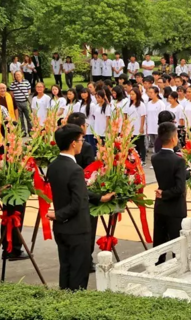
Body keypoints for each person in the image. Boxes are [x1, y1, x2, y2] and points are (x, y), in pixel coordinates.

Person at [46, 124, 93, 291]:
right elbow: (77, 203)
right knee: (78, 275)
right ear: (73, 143)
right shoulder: (75, 169)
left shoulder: (53, 165)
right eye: (81, 140)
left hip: (61, 229)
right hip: (77, 229)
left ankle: (64, 301)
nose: (82, 143)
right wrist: (58, 215)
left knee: (65, 269)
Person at [66, 112, 113, 272]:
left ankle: (75, 258)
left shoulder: (63, 144)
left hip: (68, 194)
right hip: (85, 192)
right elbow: (91, 171)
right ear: (81, 127)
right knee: (87, 229)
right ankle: (86, 260)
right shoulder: (84, 146)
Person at [152, 122, 189, 265]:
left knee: (160, 242)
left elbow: (169, 175)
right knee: (177, 245)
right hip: (175, 207)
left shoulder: (155, 158)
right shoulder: (178, 161)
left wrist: (187, 173)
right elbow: (179, 188)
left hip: (161, 206)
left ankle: (157, 267)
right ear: (174, 139)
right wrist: (165, 194)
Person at [146, 87, 166, 151]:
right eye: (149, 92)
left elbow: (162, 116)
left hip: (157, 127)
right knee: (154, 144)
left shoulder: (160, 103)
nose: (149, 94)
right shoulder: (148, 103)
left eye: (151, 92)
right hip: (150, 127)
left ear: (156, 93)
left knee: (159, 144)